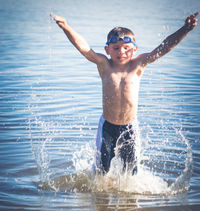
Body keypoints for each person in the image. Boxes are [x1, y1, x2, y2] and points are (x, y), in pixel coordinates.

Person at [50, 12, 198, 175]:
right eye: (116, 48)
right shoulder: (104, 65)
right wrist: (65, 26)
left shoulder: (138, 65)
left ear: (134, 49)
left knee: (132, 173)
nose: (122, 52)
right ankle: (100, 198)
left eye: (126, 48)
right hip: (107, 127)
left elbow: (163, 48)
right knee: (101, 172)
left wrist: (185, 29)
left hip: (130, 128)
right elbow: (84, 48)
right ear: (107, 50)